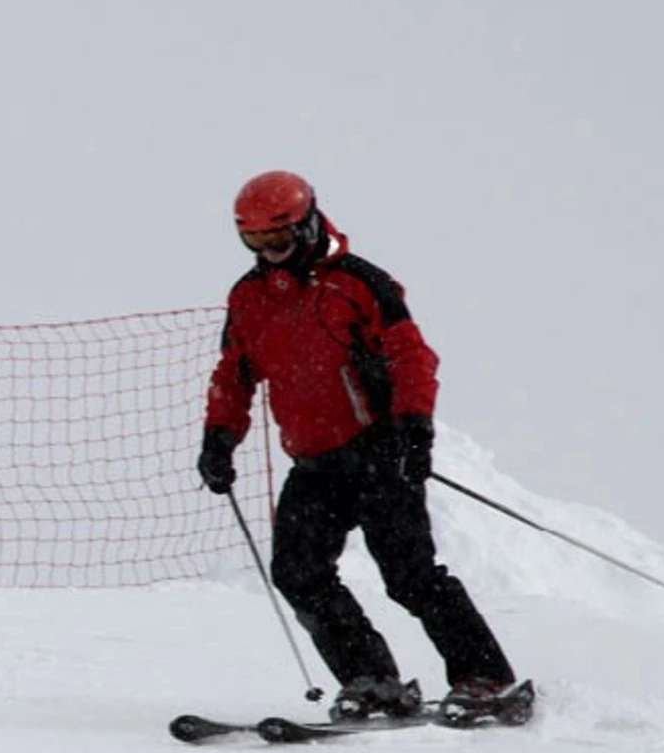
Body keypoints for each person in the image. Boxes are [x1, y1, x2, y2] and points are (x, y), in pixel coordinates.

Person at [195, 169, 523, 722]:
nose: (269, 253)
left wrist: (415, 427)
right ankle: (370, 680)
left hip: (377, 452)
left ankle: (485, 677)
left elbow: (412, 357)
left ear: (306, 224)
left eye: (277, 239)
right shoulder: (248, 298)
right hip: (315, 462)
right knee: (298, 572)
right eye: (254, 242)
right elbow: (234, 375)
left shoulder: (359, 282)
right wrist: (219, 438)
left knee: (410, 574)